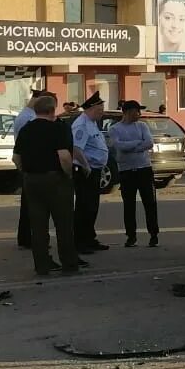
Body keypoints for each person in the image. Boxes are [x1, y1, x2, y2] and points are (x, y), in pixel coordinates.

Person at [13, 94, 84, 277]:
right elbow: (64, 156)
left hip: (32, 180)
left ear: (35, 110)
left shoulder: (26, 130)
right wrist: (68, 174)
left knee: (38, 226)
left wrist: (26, 172)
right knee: (63, 224)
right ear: (52, 110)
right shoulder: (57, 129)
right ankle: (69, 263)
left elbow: (16, 158)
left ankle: (42, 265)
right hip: (55, 180)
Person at [110, 100, 160, 248]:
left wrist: (131, 146)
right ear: (126, 112)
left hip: (144, 169)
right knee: (129, 205)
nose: (138, 114)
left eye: (139, 111)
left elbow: (149, 143)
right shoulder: (115, 129)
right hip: (126, 171)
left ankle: (154, 234)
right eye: (135, 111)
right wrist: (137, 143)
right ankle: (131, 236)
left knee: (150, 202)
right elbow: (119, 146)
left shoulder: (142, 126)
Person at [12, 90, 54, 250]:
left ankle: (25, 237)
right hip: (31, 166)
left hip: (27, 165)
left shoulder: (26, 115)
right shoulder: (27, 118)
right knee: (33, 206)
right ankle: (29, 238)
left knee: (29, 205)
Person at [71, 92, 110, 253]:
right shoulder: (81, 124)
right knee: (84, 207)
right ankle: (79, 242)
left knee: (92, 207)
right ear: (91, 108)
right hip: (84, 170)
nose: (102, 112)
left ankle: (89, 238)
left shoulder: (91, 122)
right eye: (99, 109)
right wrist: (86, 166)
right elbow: (76, 148)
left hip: (95, 170)